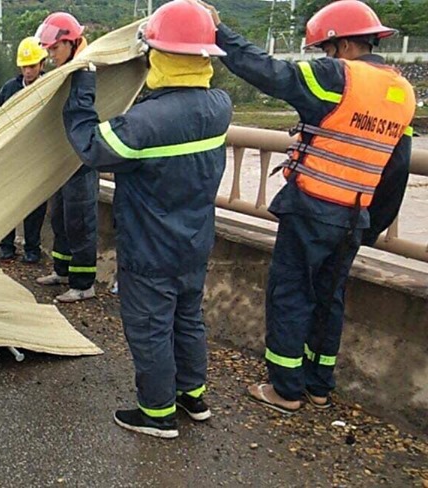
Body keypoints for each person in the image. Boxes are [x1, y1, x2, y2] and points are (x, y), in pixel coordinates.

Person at [199, 0, 415, 414]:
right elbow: (398, 167)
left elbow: (269, 72)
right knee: (329, 297)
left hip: (313, 207)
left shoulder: (338, 77)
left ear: (343, 45)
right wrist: (369, 226)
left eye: (324, 49)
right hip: (355, 215)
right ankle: (318, 385)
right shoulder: (401, 91)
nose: (321, 57)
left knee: (290, 294)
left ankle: (285, 389)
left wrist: (219, 32)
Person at [62, 0, 231, 438]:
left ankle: (156, 413)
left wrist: (82, 86)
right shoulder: (220, 106)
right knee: (187, 317)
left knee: (151, 325)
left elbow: (89, 145)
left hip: (150, 247)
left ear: (160, 56)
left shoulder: (146, 123)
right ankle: (192, 396)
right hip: (194, 242)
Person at [34, 12, 100, 303]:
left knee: (80, 222)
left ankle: (84, 283)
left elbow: (82, 117)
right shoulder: (68, 69)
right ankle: (61, 270)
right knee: (60, 216)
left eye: (54, 49)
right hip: (63, 159)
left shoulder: (86, 72)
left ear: (72, 43)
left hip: (81, 162)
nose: (50, 55)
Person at [0, 37, 48, 264]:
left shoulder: (49, 86)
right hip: (13, 155)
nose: (28, 71)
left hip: (37, 155)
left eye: (32, 66)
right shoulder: (10, 89)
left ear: (41, 65)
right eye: (24, 67)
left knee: (35, 204)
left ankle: (32, 248)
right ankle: (6, 245)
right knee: (7, 201)